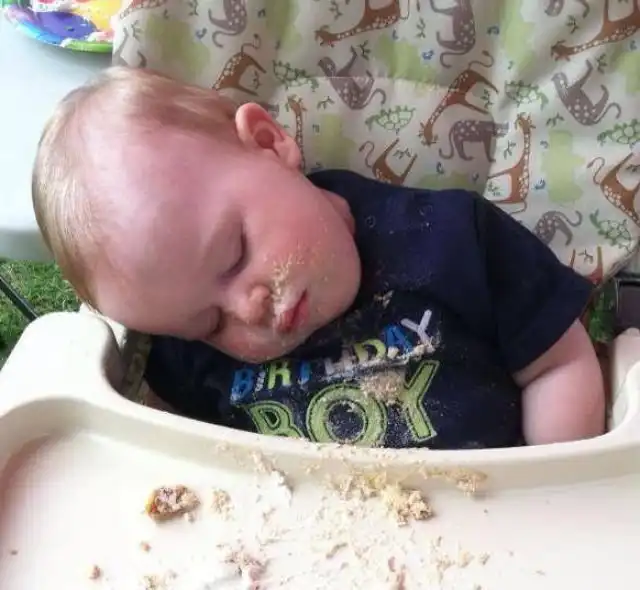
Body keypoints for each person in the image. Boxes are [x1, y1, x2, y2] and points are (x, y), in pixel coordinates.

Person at [32, 66, 605, 449]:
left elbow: (558, 365)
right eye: (208, 324)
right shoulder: (183, 350)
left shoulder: (457, 240)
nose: (247, 309)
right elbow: (182, 447)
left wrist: (552, 492)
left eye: (235, 255)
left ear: (268, 143)